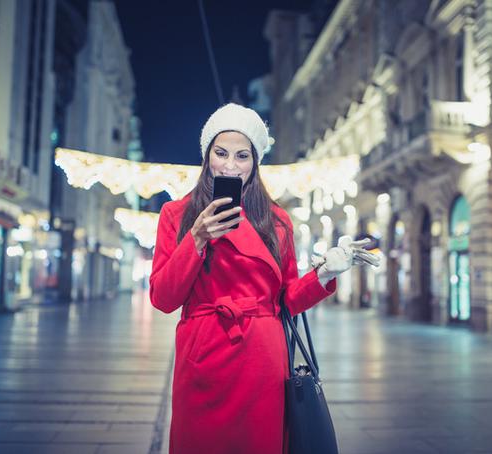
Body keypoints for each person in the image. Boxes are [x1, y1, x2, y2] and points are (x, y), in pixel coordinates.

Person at [149, 103, 379, 454]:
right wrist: (196, 237)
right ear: (206, 155)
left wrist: (326, 272)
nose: (230, 165)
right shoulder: (176, 214)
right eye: (221, 153)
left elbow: (286, 299)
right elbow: (163, 299)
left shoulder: (277, 220)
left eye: (242, 156)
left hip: (261, 360)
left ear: (255, 163)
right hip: (204, 354)